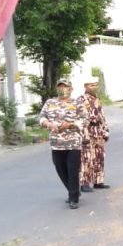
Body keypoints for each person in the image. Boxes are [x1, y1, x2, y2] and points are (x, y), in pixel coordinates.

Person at [39, 78, 88, 209]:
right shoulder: (50, 102)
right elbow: (41, 117)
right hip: (56, 143)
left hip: (73, 143)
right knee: (60, 169)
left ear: (71, 89)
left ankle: (73, 198)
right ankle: (74, 190)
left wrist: (70, 124)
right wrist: (48, 124)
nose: (62, 89)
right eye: (60, 87)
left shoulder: (77, 103)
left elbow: (85, 120)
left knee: (72, 170)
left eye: (65, 87)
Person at [79, 75, 110, 193]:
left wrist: (105, 131)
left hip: (99, 131)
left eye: (95, 85)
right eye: (92, 85)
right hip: (88, 131)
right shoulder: (82, 100)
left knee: (99, 156)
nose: (94, 87)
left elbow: (102, 116)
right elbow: (81, 119)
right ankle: (84, 182)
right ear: (85, 86)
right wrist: (84, 135)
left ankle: (98, 181)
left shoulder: (97, 99)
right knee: (87, 158)